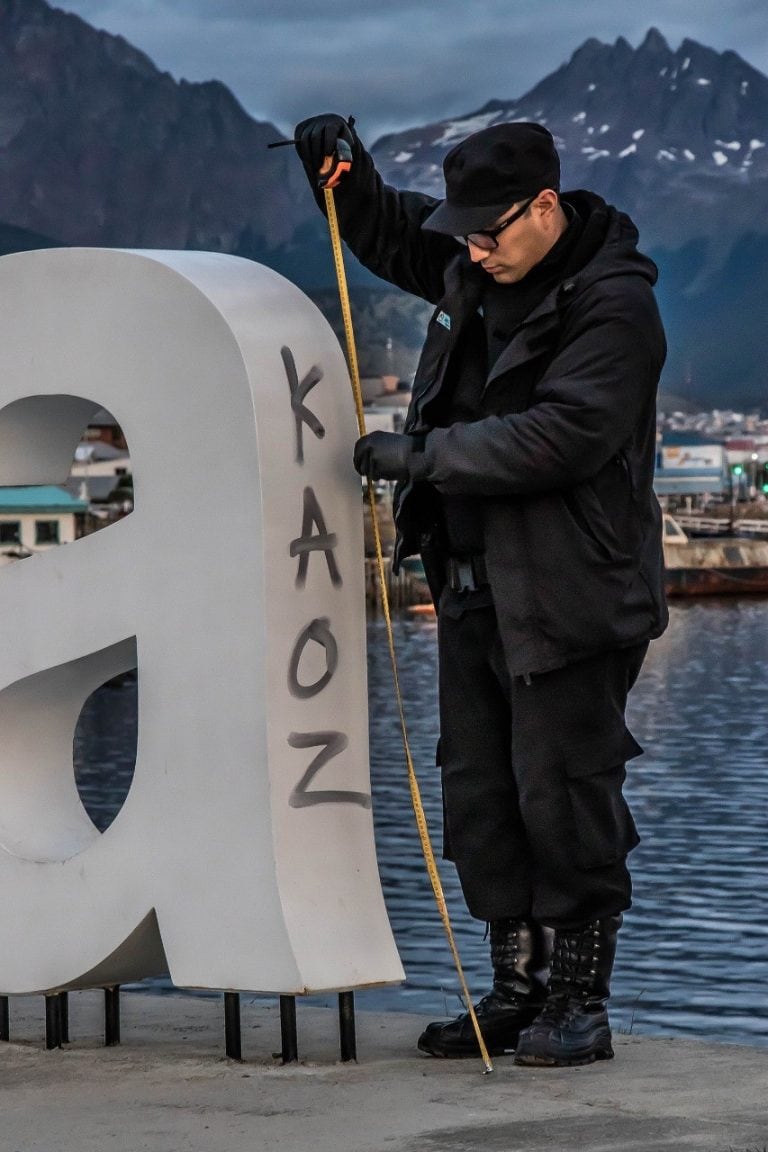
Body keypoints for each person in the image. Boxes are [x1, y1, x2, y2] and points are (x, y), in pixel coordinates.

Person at [293, 114, 667, 1067]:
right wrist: (339, 168)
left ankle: (578, 1002)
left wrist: (419, 454)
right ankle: (516, 991)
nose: (474, 247)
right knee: (484, 800)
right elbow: (386, 230)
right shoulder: (472, 262)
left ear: (546, 206)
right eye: (465, 231)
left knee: (566, 795)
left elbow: (564, 434)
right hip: (470, 593)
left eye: (491, 230)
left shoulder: (615, 305)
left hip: (573, 599)